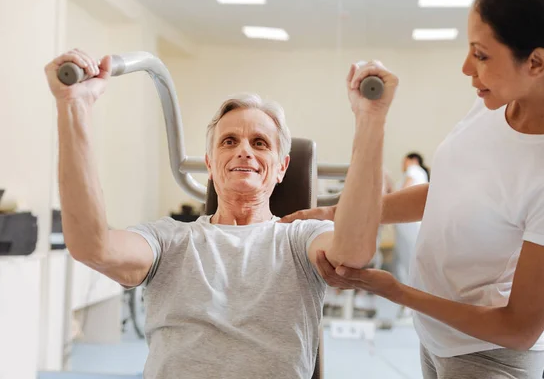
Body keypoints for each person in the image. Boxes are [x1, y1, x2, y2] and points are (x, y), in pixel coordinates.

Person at [281, 0, 544, 377]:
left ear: (535, 63)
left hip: (488, 356)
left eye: (481, 55)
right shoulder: (493, 103)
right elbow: (447, 194)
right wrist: (336, 213)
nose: (467, 68)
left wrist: (394, 291)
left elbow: (520, 328)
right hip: (434, 337)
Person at [44, 50, 398, 378]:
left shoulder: (299, 237)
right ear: (210, 165)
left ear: (281, 168)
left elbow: (354, 249)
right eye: (229, 141)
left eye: (260, 143)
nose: (244, 151)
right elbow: (94, 247)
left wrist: (371, 120)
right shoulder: (169, 240)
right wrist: (73, 107)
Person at [394, 153, 429, 284]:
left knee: (408, 256)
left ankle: (412, 289)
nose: (402, 165)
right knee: (408, 256)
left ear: (413, 160)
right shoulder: (420, 174)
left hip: (409, 223)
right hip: (410, 222)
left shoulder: (414, 169)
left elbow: (403, 191)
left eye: (404, 161)